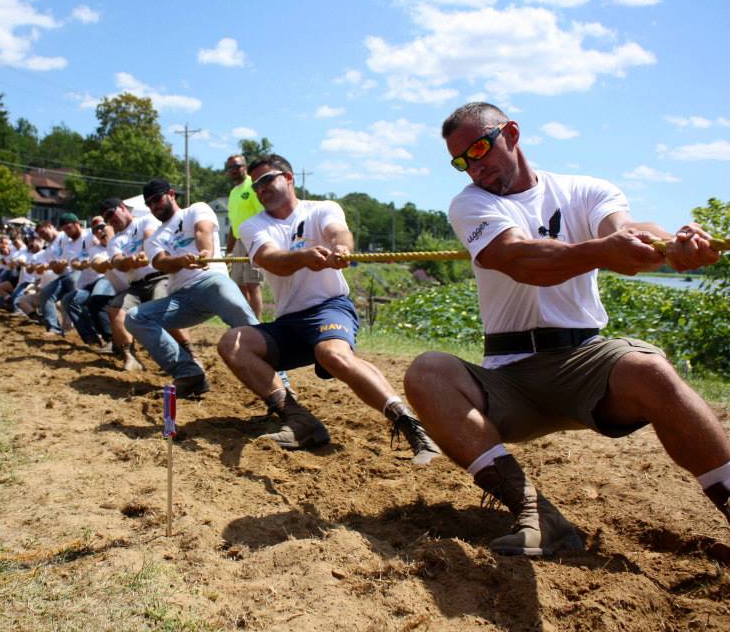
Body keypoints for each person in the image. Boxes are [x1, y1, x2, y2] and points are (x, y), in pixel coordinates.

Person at [402, 102, 729, 557]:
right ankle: (538, 514)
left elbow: (629, 230)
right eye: (462, 161)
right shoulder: (472, 204)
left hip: (585, 360)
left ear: (511, 134)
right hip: (510, 372)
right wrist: (602, 251)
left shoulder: (585, 190)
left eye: (480, 148)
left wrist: (673, 246)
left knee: (652, 370)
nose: (474, 166)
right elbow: (522, 260)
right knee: (427, 373)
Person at [217, 154, 440, 458]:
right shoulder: (253, 225)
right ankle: (299, 420)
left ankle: (412, 427)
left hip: (329, 307)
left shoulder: (323, 208)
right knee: (233, 343)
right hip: (289, 323)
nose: (260, 188)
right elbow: (271, 260)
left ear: (289, 178)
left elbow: (338, 232)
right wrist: (304, 257)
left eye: (267, 179)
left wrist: (342, 248)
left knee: (332, 354)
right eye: (255, 184)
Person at [125, 179, 258, 398]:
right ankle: (189, 372)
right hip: (182, 299)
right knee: (134, 317)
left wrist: (204, 253)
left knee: (246, 323)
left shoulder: (197, 209)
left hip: (211, 281)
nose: (154, 206)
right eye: (149, 204)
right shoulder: (154, 238)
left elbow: (202, 231)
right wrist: (180, 261)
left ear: (171, 194)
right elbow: (160, 262)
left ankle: (280, 381)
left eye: (157, 199)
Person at [101, 198, 192, 372]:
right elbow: (117, 261)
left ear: (122, 208)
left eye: (111, 214)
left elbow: (150, 237)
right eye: (106, 219)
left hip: (160, 278)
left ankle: (190, 352)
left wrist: (144, 252)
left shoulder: (144, 220)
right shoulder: (114, 241)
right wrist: (129, 261)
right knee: (115, 309)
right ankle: (130, 357)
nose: (110, 220)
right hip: (135, 286)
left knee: (164, 307)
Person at [62, 215, 114, 350]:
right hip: (89, 285)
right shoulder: (91, 248)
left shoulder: (117, 243)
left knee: (96, 298)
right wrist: (80, 265)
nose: (100, 231)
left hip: (107, 281)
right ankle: (92, 339)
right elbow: (75, 262)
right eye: (96, 229)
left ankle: (110, 339)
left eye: (102, 227)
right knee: (69, 300)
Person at [225, 154, 266, 319]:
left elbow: (263, 214)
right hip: (238, 243)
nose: (233, 170)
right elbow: (233, 224)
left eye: (237, 166)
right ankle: (245, 321)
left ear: (245, 167)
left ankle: (258, 324)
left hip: (254, 239)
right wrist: (229, 251)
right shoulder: (233, 192)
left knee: (253, 284)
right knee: (239, 285)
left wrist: (260, 241)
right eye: (230, 168)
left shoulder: (253, 186)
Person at [36, 217, 78, 337]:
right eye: (40, 234)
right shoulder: (47, 250)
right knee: (45, 293)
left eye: (43, 232)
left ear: (50, 226)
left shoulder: (64, 235)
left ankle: (73, 326)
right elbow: (58, 270)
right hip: (63, 276)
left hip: (76, 272)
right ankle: (54, 328)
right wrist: (54, 266)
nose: (42, 236)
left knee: (71, 290)